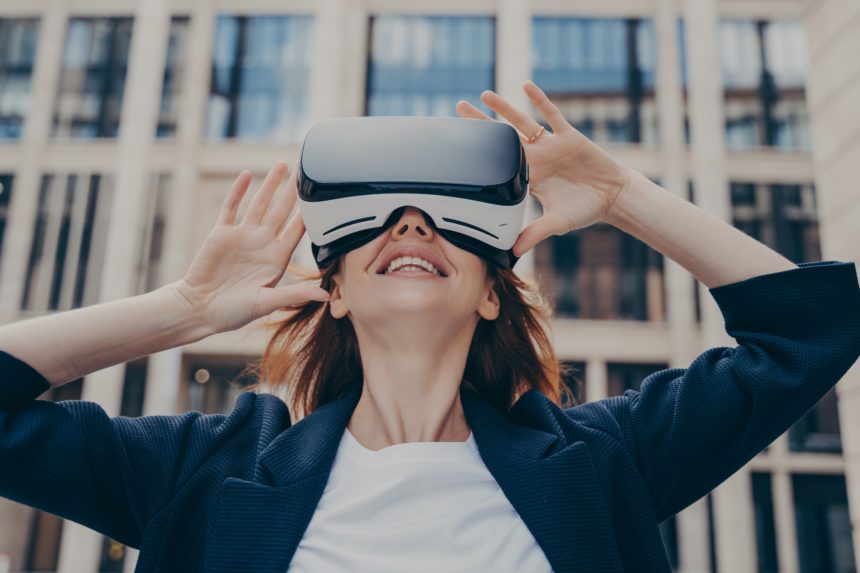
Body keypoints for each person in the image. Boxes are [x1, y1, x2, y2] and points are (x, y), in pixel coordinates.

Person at [1, 80, 858, 573]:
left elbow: (811, 330)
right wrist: (182, 309)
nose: (411, 223)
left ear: (494, 292)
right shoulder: (203, 469)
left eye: (446, 224)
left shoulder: (604, 460)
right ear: (330, 290)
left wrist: (625, 198)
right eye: (380, 223)